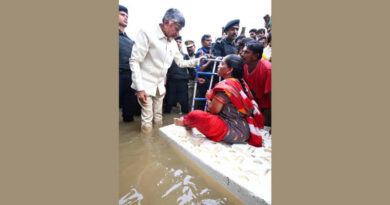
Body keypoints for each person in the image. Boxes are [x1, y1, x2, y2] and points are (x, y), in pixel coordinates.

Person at [130, 8, 203, 133]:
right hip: (145, 85)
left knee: (159, 117)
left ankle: (157, 142)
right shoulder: (147, 33)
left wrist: (197, 61)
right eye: (176, 28)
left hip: (159, 86)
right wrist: (139, 88)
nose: (177, 33)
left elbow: (180, 63)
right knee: (147, 121)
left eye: (179, 30)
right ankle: (147, 146)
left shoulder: (173, 43)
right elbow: (135, 60)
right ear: (166, 22)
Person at [174, 55, 264, 147]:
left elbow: (213, 110)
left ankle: (185, 122)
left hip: (232, 130)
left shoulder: (225, 86)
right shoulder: (241, 82)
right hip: (245, 130)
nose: (218, 66)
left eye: (222, 64)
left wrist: (208, 98)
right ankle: (186, 120)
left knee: (196, 115)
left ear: (229, 70)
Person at [241, 41, 272, 127]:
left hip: (267, 107)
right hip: (254, 104)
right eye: (242, 51)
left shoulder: (268, 70)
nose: (242, 54)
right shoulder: (244, 65)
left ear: (256, 56)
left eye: (246, 52)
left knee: (265, 129)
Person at [118, 5, 140, 122]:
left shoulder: (131, 41)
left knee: (129, 111)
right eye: (122, 14)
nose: (126, 17)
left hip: (130, 77)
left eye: (127, 16)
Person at [164, 36, 191, 114]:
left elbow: (190, 68)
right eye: (176, 42)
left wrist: (197, 77)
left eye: (180, 42)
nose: (178, 43)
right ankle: (166, 120)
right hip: (171, 81)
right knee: (169, 102)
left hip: (182, 81)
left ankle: (185, 120)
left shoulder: (185, 56)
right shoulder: (167, 54)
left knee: (184, 102)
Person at [194, 34, 214, 110]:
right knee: (203, 102)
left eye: (211, 41)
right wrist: (209, 61)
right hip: (203, 81)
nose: (210, 42)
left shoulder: (211, 51)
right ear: (202, 42)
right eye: (207, 40)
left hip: (210, 80)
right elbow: (200, 69)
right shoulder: (200, 52)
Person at [184, 40, 197, 111]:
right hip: (187, 81)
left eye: (191, 47)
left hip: (197, 80)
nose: (189, 49)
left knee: (196, 97)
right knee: (189, 97)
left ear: (194, 47)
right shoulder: (184, 57)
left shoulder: (198, 56)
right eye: (187, 47)